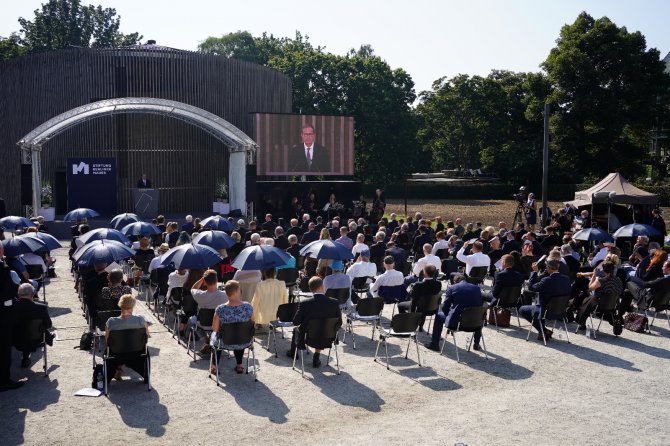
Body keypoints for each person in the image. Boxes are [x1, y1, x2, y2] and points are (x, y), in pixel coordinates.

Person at [287, 277, 341, 368]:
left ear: (310, 289)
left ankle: (293, 353)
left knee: (296, 329)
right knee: (322, 327)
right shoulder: (334, 303)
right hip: (328, 336)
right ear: (322, 287)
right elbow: (339, 322)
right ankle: (316, 357)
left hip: (308, 337)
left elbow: (296, 322)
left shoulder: (305, 303)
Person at [425, 275, 483, 351]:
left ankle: (434, 344)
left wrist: (450, 314)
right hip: (475, 323)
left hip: (458, 324)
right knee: (477, 314)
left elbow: (444, 307)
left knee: (439, 315)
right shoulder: (477, 288)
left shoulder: (452, 288)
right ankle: (476, 344)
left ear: (455, 281)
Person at [519, 259, 571, 341]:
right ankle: (543, 331)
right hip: (560, 310)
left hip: (545, 311)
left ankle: (543, 330)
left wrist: (535, 272)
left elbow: (531, 287)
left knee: (522, 309)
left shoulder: (547, 280)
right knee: (540, 305)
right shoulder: (566, 279)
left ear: (549, 268)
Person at [210, 280, 254, 374]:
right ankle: (239, 365)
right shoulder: (248, 307)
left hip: (225, 342)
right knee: (241, 332)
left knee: (216, 337)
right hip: (245, 341)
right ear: (238, 290)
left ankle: (214, 366)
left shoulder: (220, 309)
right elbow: (252, 323)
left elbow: (215, 329)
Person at [104, 294, 150, 383]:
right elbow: (146, 336)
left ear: (120, 304)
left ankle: (117, 369)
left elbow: (107, 340)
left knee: (110, 349)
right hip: (137, 352)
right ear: (133, 305)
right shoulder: (141, 320)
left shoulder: (111, 321)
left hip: (116, 353)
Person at [12, 283, 52, 368]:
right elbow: (48, 324)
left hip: (14, 339)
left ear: (19, 294)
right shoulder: (41, 308)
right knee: (41, 330)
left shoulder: (12, 307)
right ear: (32, 294)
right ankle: (49, 337)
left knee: (24, 331)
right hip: (36, 338)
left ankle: (25, 358)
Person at [575, 261, 622, 330]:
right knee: (586, 297)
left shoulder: (601, 281)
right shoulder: (618, 280)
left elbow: (590, 288)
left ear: (603, 270)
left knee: (583, 297)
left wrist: (594, 275)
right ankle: (580, 320)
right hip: (611, 306)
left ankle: (581, 322)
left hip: (599, 305)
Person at [398, 264, 442, 331]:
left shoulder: (418, 285)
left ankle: (406, 323)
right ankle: (420, 326)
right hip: (432, 307)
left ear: (425, 273)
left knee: (400, 305)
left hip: (418, 307)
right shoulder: (438, 284)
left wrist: (411, 290)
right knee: (424, 302)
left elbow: (412, 296)